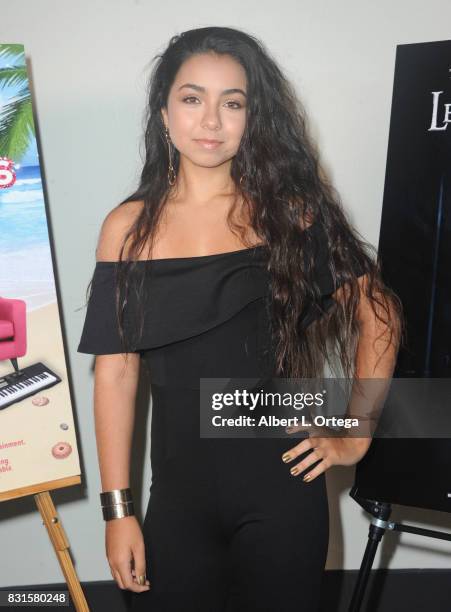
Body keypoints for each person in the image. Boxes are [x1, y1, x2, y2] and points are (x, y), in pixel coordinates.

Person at [77, 26, 404, 612]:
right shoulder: (126, 229)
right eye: (192, 98)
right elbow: (117, 373)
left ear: (253, 118)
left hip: (282, 492)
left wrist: (356, 430)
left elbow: (378, 313)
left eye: (233, 103)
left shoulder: (291, 214)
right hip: (176, 505)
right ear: (163, 111)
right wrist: (118, 511)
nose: (211, 121)